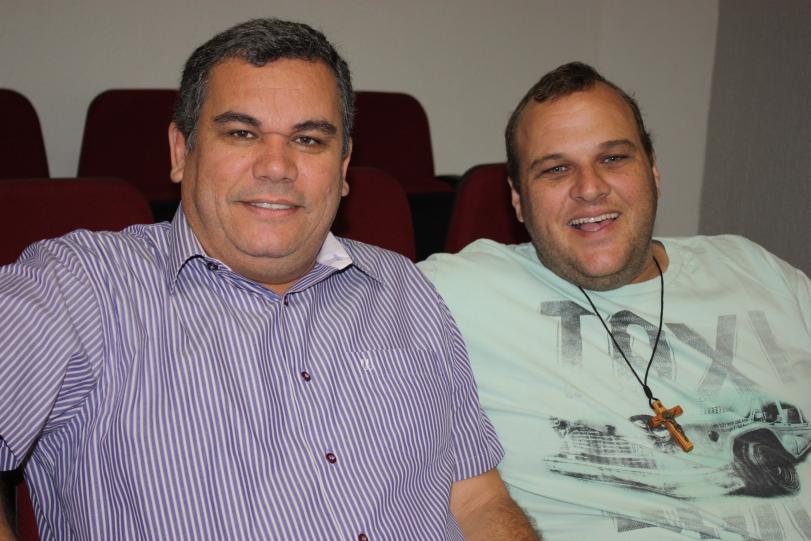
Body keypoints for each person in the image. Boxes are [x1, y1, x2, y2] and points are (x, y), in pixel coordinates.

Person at [0, 18, 538, 540]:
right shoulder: (80, 285)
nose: (276, 166)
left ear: (343, 167)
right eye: (241, 133)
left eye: (309, 140)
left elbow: (477, 499)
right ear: (181, 151)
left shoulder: (403, 288)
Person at [419, 62, 811, 540]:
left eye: (613, 158)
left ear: (653, 172)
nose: (589, 188)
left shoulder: (757, 271)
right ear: (518, 199)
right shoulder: (456, 291)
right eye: (556, 169)